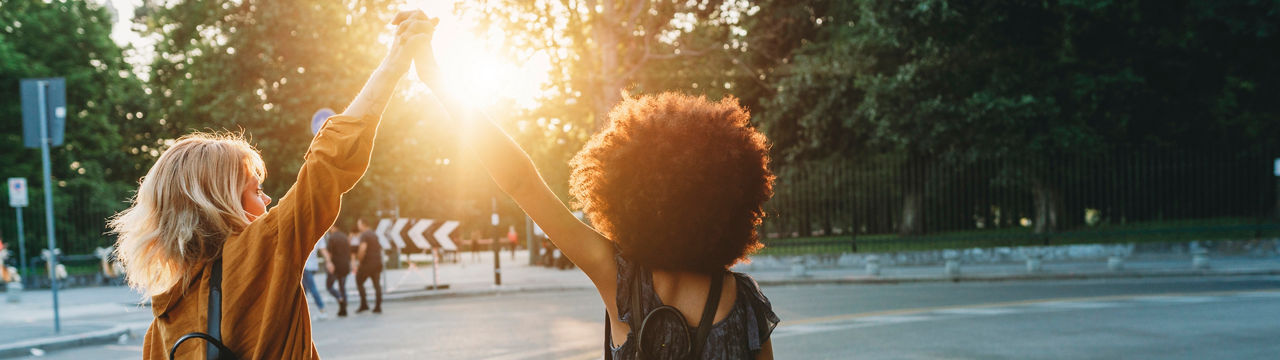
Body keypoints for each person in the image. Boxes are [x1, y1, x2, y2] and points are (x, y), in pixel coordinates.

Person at [406, 11, 777, 359]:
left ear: (631, 195)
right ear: (730, 202)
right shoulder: (745, 303)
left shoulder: (619, 278)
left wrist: (434, 76)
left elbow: (520, 180)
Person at [106, 12, 435, 359]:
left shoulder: (159, 330)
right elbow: (328, 164)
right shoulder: (266, 247)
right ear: (219, 202)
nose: (266, 198)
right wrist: (393, 64)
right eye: (253, 189)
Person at [319, 224, 352, 317]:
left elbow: (329, 253)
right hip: (345, 265)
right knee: (342, 287)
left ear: (334, 227)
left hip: (335, 266)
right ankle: (343, 309)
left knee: (329, 286)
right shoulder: (345, 237)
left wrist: (328, 263)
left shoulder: (332, 238)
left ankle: (339, 298)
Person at [352, 217, 383, 314]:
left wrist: (359, 261)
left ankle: (364, 304)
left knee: (359, 281)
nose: (358, 226)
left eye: (359, 224)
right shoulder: (374, 234)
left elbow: (362, 249)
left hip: (367, 264)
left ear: (363, 225)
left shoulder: (364, 235)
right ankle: (378, 306)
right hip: (377, 262)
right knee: (376, 284)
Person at [302, 243, 328, 319]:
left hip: (305, 266)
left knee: (311, 288)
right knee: (304, 289)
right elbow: (323, 250)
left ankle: (322, 309)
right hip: (312, 266)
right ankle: (302, 312)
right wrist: (328, 261)